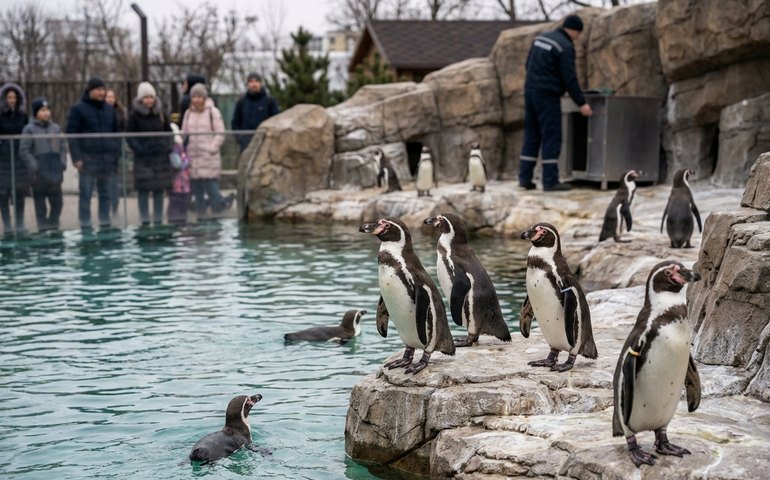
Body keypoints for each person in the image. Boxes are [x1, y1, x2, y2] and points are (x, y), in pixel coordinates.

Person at [519, 14, 593, 192]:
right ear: (575, 30)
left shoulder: (540, 38)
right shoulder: (565, 46)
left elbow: (528, 65)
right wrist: (581, 103)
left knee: (531, 134)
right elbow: (569, 78)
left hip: (530, 92)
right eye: (578, 34)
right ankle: (550, 181)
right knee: (551, 136)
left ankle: (525, 178)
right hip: (547, 96)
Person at [66, 75, 120, 228]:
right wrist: (77, 158)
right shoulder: (78, 109)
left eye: (103, 89)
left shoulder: (109, 110)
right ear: (90, 90)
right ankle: (85, 226)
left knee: (106, 195)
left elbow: (117, 134)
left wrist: (116, 155)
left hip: (107, 160)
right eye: (98, 89)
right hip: (87, 160)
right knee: (86, 195)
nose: (102, 93)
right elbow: (72, 135)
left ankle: (105, 224)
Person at [181, 83, 234, 217]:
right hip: (193, 156)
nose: (197, 99)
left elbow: (220, 132)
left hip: (208, 156)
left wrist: (212, 148)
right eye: (194, 96)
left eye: (199, 96)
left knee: (212, 187)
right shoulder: (188, 113)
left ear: (204, 97)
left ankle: (219, 212)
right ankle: (201, 216)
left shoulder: (213, 112)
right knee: (197, 189)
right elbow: (184, 133)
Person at [126, 82, 173, 225]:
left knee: (159, 190)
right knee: (143, 191)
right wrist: (140, 149)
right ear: (141, 99)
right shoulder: (134, 116)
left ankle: (158, 220)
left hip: (160, 158)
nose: (149, 100)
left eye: (151, 97)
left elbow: (168, 133)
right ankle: (145, 221)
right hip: (143, 158)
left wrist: (166, 147)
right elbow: (130, 136)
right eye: (145, 97)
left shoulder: (161, 114)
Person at [20, 98, 66, 231]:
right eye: (42, 110)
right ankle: (43, 230)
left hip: (54, 172)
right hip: (38, 175)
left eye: (48, 110)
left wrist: (62, 163)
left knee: (57, 203)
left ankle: (53, 226)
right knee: (40, 206)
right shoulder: (29, 129)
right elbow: (24, 151)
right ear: (36, 113)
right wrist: (35, 166)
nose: (46, 113)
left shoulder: (55, 128)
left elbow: (62, 146)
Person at [0, 82, 30, 233]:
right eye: (9, 97)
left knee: (19, 192)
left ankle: (19, 222)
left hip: (19, 160)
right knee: (3, 193)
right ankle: (6, 223)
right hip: (3, 160)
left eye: (14, 97)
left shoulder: (23, 116)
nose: (12, 100)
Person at [231, 72, 280, 152]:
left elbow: (276, 121)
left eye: (256, 81)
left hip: (265, 145)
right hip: (246, 145)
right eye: (251, 81)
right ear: (248, 84)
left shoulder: (270, 101)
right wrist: (240, 139)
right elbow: (235, 123)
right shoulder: (242, 102)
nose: (254, 84)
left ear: (260, 83)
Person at [105, 88, 126, 215]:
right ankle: (106, 207)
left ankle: (115, 207)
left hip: (115, 152)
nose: (110, 99)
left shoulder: (120, 113)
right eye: (108, 97)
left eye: (112, 97)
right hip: (102, 152)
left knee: (114, 181)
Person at [167, 123, 191, 224]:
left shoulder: (180, 149)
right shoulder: (173, 150)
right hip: (177, 185)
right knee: (176, 207)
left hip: (184, 184)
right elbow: (177, 164)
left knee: (182, 207)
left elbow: (184, 162)